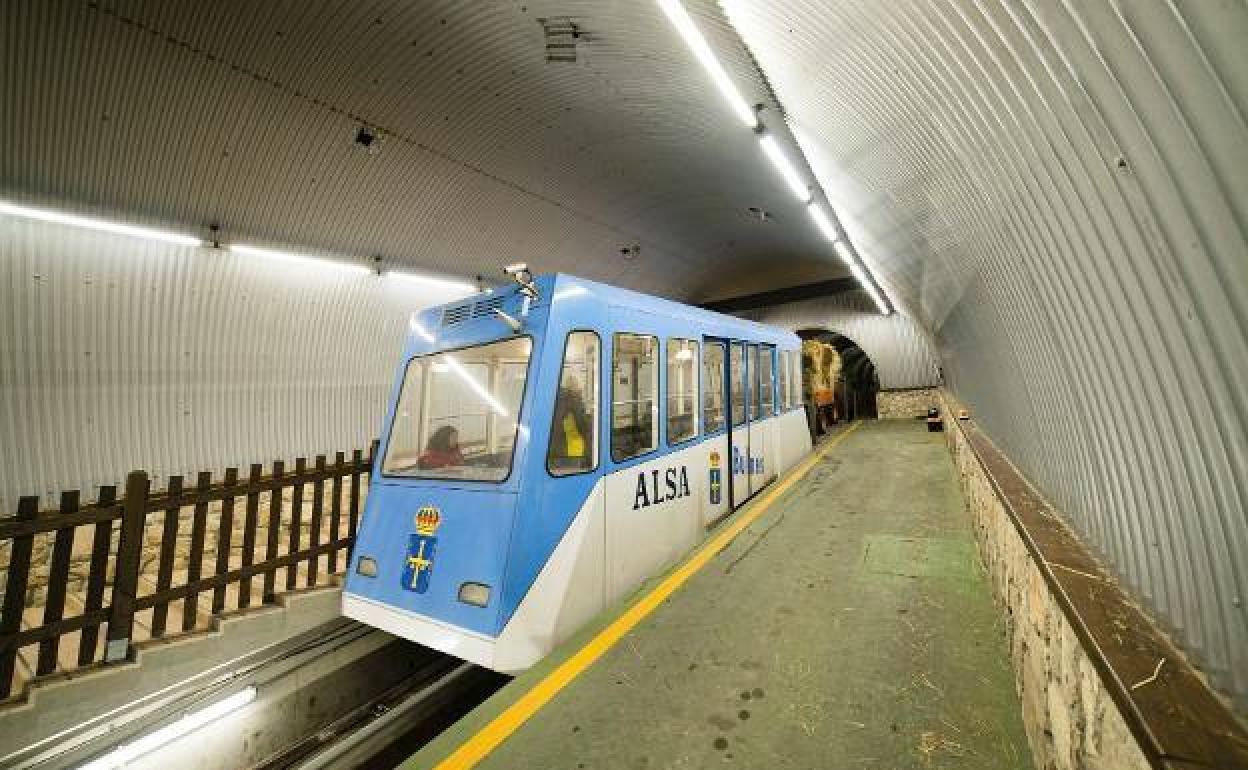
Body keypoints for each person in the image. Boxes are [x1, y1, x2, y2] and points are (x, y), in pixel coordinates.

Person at [550, 376, 592, 471]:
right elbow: (584, 426)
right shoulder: (574, 400)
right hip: (572, 449)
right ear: (576, 386)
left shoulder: (555, 399)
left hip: (554, 448)